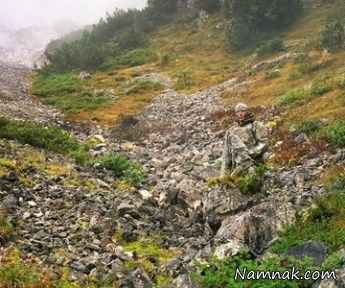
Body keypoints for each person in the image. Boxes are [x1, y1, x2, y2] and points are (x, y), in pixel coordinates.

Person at [221, 103, 268, 177]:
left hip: (255, 160)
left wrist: (249, 153)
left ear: (247, 111)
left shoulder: (256, 125)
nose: (240, 114)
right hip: (237, 163)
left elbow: (263, 144)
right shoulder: (231, 130)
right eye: (238, 112)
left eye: (242, 111)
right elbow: (226, 154)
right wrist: (223, 175)